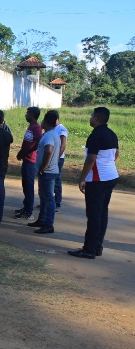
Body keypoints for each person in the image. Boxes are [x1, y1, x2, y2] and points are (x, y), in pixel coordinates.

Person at [68, 107, 119, 259]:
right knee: (102, 213)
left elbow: (91, 159)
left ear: (96, 119)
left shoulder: (95, 135)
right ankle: (97, 247)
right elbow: (116, 154)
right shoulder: (112, 133)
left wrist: (82, 178)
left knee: (94, 215)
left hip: (98, 179)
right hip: (111, 176)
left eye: (92, 116)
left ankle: (89, 249)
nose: (90, 118)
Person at [27, 111, 61, 234]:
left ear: (45, 122)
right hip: (49, 171)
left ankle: (48, 224)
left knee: (48, 198)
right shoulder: (53, 134)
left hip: (48, 172)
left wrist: (44, 166)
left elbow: (49, 150)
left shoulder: (48, 136)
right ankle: (42, 220)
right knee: (43, 196)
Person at [14, 107, 43, 220]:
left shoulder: (36, 128)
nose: (26, 115)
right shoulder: (31, 127)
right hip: (27, 159)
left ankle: (29, 212)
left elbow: (38, 141)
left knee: (29, 186)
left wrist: (27, 152)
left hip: (31, 161)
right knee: (25, 185)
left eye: (27, 113)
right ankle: (26, 207)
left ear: (32, 115)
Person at [50, 110, 68, 211]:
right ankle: (50, 201)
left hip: (58, 159)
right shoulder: (53, 128)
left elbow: (63, 145)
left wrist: (56, 158)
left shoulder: (61, 129)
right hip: (52, 158)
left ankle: (57, 203)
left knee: (56, 180)